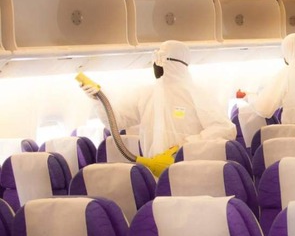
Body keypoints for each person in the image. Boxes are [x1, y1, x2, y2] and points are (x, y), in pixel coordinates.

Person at [81, 40, 236, 159]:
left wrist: (186, 145)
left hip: (189, 165)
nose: (156, 64)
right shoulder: (146, 94)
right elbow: (117, 122)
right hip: (154, 167)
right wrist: (99, 100)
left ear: (173, 62)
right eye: (155, 59)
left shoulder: (197, 93)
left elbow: (224, 129)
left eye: (160, 59)